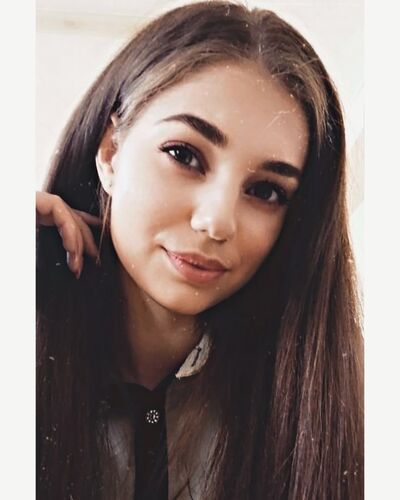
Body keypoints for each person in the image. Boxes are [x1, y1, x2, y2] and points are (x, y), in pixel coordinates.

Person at [36, 2, 364, 499]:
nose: (216, 222)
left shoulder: (331, 407)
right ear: (110, 152)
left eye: (266, 191)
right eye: (184, 155)